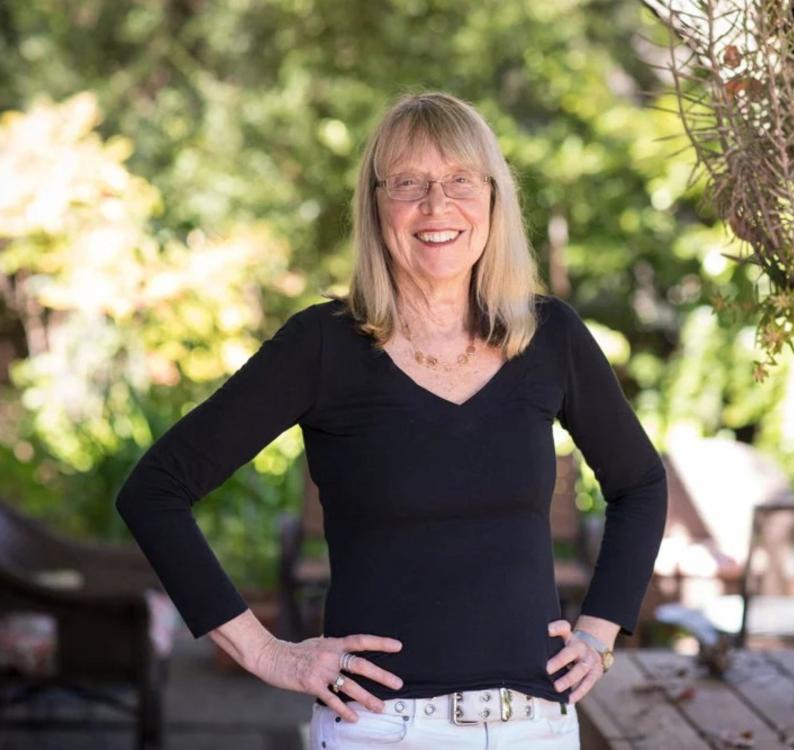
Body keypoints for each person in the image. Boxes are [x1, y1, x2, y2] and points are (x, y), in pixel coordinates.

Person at [115, 91, 668, 749]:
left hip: (534, 726)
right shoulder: (322, 345)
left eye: (460, 180)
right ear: (376, 204)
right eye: (408, 183)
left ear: (494, 197)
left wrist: (599, 632)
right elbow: (155, 492)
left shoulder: (550, 337)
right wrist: (265, 652)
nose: (437, 205)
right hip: (378, 729)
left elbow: (640, 484)